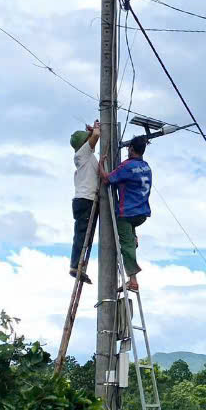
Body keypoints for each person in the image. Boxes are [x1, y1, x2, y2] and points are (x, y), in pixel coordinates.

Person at [101, 134, 152, 292]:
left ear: (131, 149)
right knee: (129, 238)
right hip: (141, 213)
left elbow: (107, 179)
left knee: (127, 245)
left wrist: (100, 165)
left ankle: (133, 280)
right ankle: (133, 238)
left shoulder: (127, 166)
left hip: (127, 213)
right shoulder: (146, 167)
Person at [69, 122, 100, 282]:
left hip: (86, 200)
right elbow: (96, 136)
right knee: (82, 236)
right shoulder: (83, 153)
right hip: (86, 200)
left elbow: (94, 138)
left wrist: (92, 132)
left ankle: (80, 266)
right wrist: (95, 129)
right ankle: (75, 266)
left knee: (85, 237)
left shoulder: (86, 156)